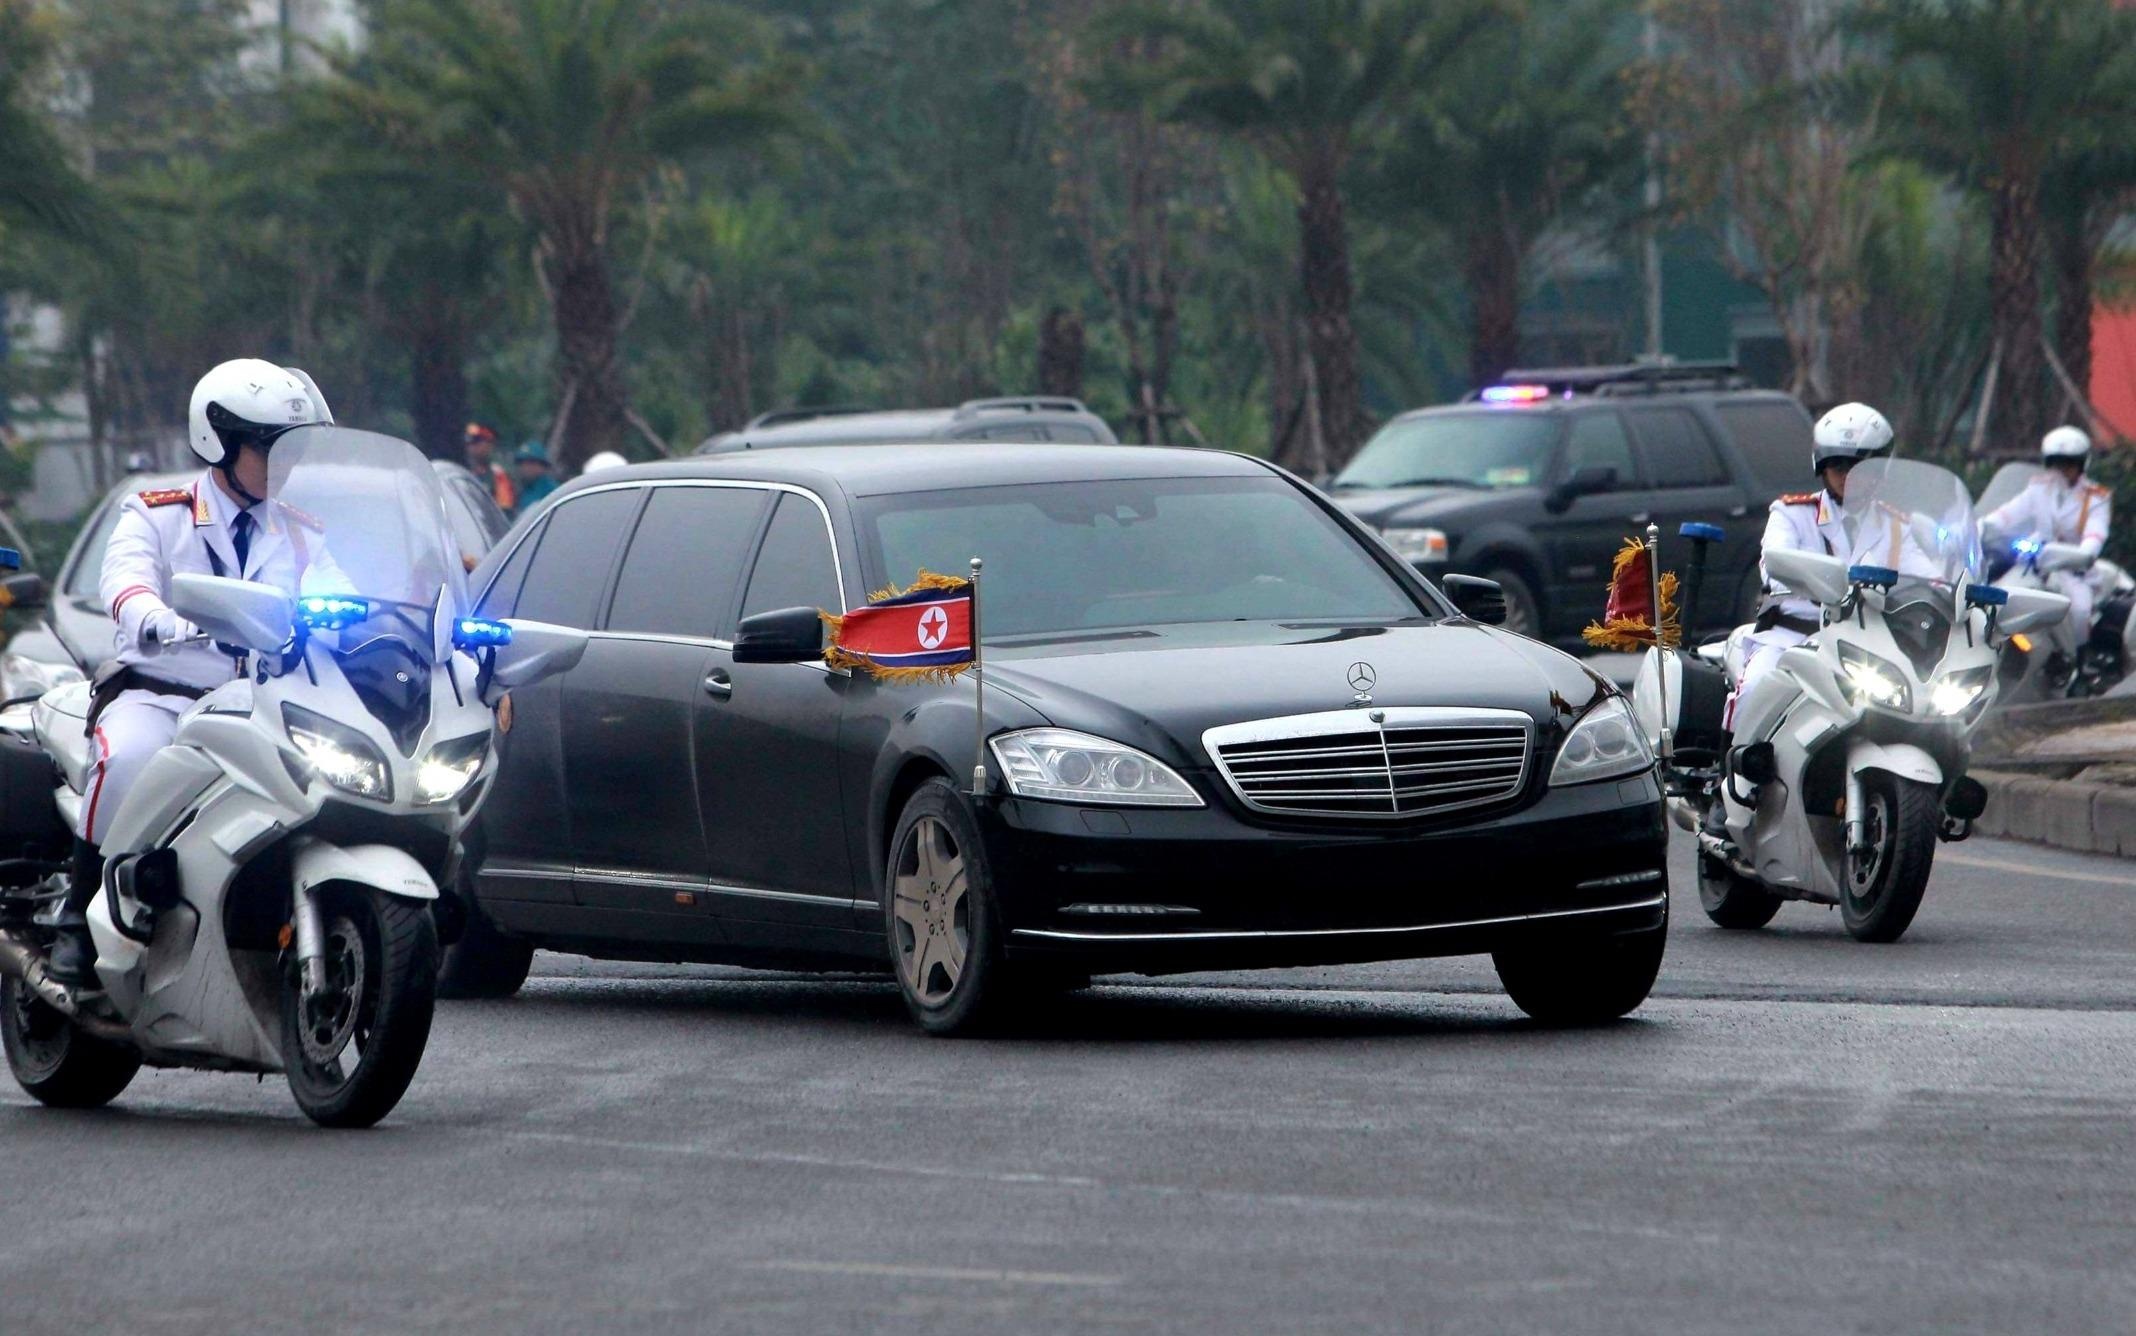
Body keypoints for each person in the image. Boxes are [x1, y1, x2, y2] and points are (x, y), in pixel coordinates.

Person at [47, 358, 333, 986]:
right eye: (270, 449)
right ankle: (77, 912)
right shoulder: (158, 512)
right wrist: (157, 618)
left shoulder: (304, 532)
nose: (286, 466)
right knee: (129, 760)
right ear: (221, 442)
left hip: (256, 707)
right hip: (161, 697)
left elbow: (343, 596)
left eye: (295, 451)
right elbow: (123, 583)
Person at [1725, 402, 1894, 730]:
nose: (1848, 478)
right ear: (1823, 468)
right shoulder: (1792, 514)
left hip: (1872, 646)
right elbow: (1773, 563)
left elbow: (1932, 579)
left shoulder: (1899, 527)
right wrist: (1818, 579)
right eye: (1839, 468)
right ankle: (1734, 775)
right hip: (1792, 638)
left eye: (1860, 468)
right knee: (1755, 691)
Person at [1980, 425, 2112, 661]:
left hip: (2072, 570)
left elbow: (2095, 534)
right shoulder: (2039, 488)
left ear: (2082, 465)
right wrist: (1980, 526)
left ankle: (2079, 664)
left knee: (2080, 610)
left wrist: (2084, 553)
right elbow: (2009, 514)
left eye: (2068, 464)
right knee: (1998, 593)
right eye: (2056, 463)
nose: (2061, 470)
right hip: (2033, 564)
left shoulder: (2096, 497)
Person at [464, 422, 516, 513]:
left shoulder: (498, 475)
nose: (473, 447)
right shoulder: (460, 471)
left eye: (478, 442)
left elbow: (504, 508)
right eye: (471, 443)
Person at [511, 441, 558, 516]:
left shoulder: (552, 492)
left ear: (543, 466)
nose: (525, 467)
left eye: (530, 463)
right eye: (521, 463)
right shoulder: (517, 488)